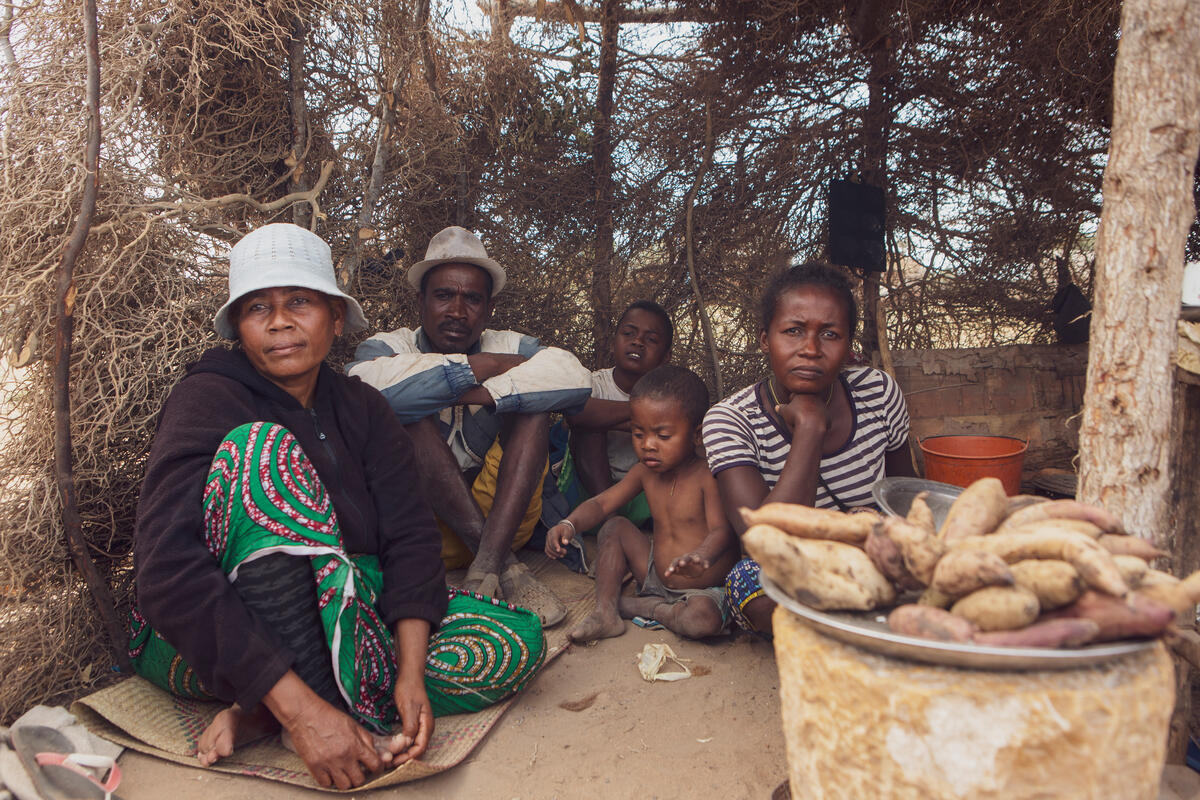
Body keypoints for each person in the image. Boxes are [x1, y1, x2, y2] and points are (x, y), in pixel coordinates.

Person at [129, 223, 545, 791]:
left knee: (509, 642)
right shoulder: (209, 396)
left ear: (336, 317)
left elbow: (410, 537)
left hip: (346, 613)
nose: (280, 322)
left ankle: (267, 710)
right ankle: (303, 707)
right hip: (217, 632)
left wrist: (412, 674)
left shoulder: (363, 406)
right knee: (263, 452)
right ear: (240, 328)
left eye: (299, 302)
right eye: (258, 308)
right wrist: (306, 715)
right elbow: (166, 569)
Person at [347, 227, 592, 626]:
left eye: (472, 299)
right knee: (404, 419)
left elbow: (574, 377)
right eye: (444, 295)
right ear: (421, 301)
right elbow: (361, 389)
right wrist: (483, 369)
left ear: (489, 309)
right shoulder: (389, 348)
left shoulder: (509, 342)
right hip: (423, 535)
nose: (458, 311)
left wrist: (476, 393)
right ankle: (504, 567)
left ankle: (487, 566)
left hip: (507, 520)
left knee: (534, 411)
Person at [702, 262, 915, 637]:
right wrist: (810, 430)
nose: (811, 350)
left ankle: (858, 631)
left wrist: (881, 536)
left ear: (849, 344)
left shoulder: (878, 393)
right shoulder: (730, 420)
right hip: (790, 572)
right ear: (765, 339)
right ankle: (867, 633)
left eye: (830, 334)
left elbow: (907, 495)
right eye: (793, 331)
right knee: (749, 584)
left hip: (874, 557)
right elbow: (764, 544)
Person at [545, 365, 738, 643]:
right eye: (638, 434)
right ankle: (606, 612)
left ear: (697, 435)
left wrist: (702, 556)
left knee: (702, 619)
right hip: (654, 576)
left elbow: (722, 530)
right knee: (614, 526)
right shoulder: (644, 472)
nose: (648, 445)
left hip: (702, 589)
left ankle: (646, 608)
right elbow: (601, 505)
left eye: (663, 436)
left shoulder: (708, 475)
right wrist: (569, 523)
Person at [558, 301, 673, 530]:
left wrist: (613, 419)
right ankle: (609, 521)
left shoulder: (670, 395)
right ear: (614, 344)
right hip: (587, 497)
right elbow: (577, 415)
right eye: (629, 333)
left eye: (651, 340)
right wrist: (643, 416)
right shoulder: (592, 382)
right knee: (589, 428)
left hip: (644, 498)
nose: (637, 341)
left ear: (666, 356)